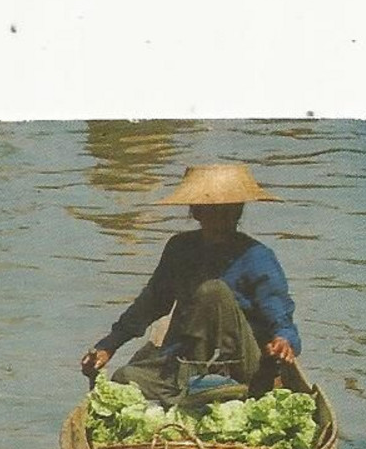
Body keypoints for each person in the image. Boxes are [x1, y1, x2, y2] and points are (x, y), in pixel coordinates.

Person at [80, 163, 301, 407]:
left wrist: (284, 341)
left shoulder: (258, 257)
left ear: (238, 212)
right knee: (123, 379)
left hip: (241, 367)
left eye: (229, 210)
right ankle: (195, 389)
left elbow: (281, 319)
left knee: (213, 291)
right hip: (185, 360)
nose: (221, 218)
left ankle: (218, 388)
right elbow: (151, 304)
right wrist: (107, 346)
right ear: (196, 211)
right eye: (211, 210)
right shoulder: (180, 248)